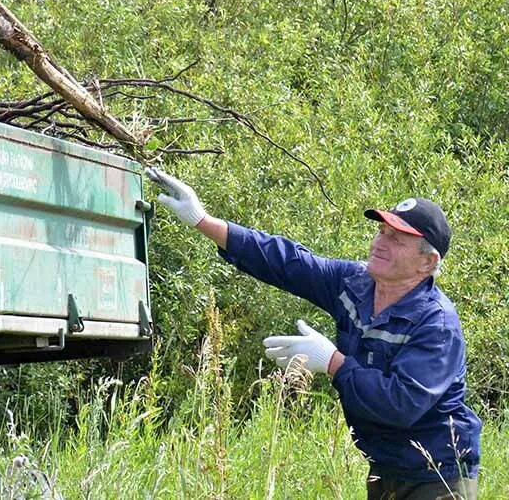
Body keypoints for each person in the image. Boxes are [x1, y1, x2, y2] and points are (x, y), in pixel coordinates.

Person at [146, 167, 481, 500]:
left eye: (397, 238)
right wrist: (202, 220)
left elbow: (400, 404)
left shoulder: (436, 324)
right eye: (381, 231)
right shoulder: (356, 283)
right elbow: (289, 262)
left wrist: (334, 362)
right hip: (385, 469)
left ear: (427, 262)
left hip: (439, 476)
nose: (381, 242)